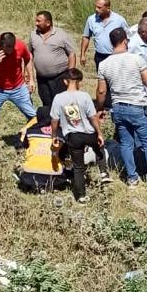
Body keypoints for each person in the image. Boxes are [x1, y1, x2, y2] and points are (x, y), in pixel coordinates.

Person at [96, 26, 147, 190]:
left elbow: (101, 91)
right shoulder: (136, 59)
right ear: (125, 41)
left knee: (126, 144)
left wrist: (99, 108)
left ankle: (132, 178)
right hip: (137, 105)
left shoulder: (104, 64)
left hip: (118, 107)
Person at [50, 67, 110, 202]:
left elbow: (54, 120)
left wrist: (54, 136)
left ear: (65, 82)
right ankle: (103, 172)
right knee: (99, 147)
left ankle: (81, 196)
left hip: (73, 136)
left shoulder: (58, 98)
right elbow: (93, 117)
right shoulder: (85, 96)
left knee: (78, 167)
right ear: (79, 82)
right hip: (88, 133)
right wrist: (99, 133)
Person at [0, 31, 36, 138]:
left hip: (18, 87)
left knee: (34, 116)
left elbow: (28, 59)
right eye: (8, 47)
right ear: (0, 45)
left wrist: (31, 79)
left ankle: (33, 138)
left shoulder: (20, 45)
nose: (11, 50)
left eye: (12, 47)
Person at [28, 11, 77, 107]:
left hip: (59, 77)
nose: (36, 23)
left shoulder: (61, 35)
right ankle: (50, 121)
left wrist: (70, 73)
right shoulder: (33, 35)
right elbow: (29, 53)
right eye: (36, 21)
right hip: (42, 78)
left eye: (39, 21)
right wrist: (29, 75)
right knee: (46, 102)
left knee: (62, 103)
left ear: (48, 23)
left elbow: (71, 53)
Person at [15, 106, 68, 193]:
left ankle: (35, 186)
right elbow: (64, 153)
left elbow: (22, 147)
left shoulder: (30, 131)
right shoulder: (60, 133)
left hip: (29, 175)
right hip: (56, 176)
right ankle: (51, 186)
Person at [80, 0, 128, 72]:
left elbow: (128, 37)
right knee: (102, 80)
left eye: (99, 7)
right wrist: (82, 54)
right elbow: (86, 37)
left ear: (108, 8)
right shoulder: (91, 20)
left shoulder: (119, 20)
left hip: (116, 56)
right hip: (100, 56)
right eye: (96, 7)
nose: (96, 9)